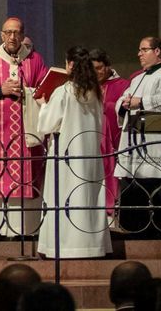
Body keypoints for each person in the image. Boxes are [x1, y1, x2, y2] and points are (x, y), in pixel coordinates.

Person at [0, 16, 48, 237]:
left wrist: (29, 92)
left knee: (27, 177)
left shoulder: (35, 60)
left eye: (17, 32)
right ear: (1, 35)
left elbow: (46, 90)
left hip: (26, 136)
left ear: (23, 35)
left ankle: (25, 229)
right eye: (9, 32)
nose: (13, 36)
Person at [35, 45, 111, 258]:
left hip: (66, 157)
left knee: (64, 198)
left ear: (69, 65)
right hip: (88, 156)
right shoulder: (95, 92)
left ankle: (64, 246)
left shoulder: (64, 91)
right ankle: (91, 246)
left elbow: (46, 125)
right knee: (88, 198)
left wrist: (43, 104)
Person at [115, 35, 161, 238]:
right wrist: (123, 103)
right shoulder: (138, 78)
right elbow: (125, 99)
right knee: (137, 186)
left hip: (160, 146)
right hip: (137, 146)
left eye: (143, 49)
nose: (139, 54)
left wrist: (141, 102)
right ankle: (136, 229)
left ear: (157, 52)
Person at [90, 49, 129, 218]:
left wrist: (108, 107)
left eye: (98, 68)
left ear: (108, 67)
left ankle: (113, 209)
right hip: (92, 141)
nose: (95, 73)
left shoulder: (123, 85)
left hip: (114, 142)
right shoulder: (88, 86)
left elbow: (125, 113)